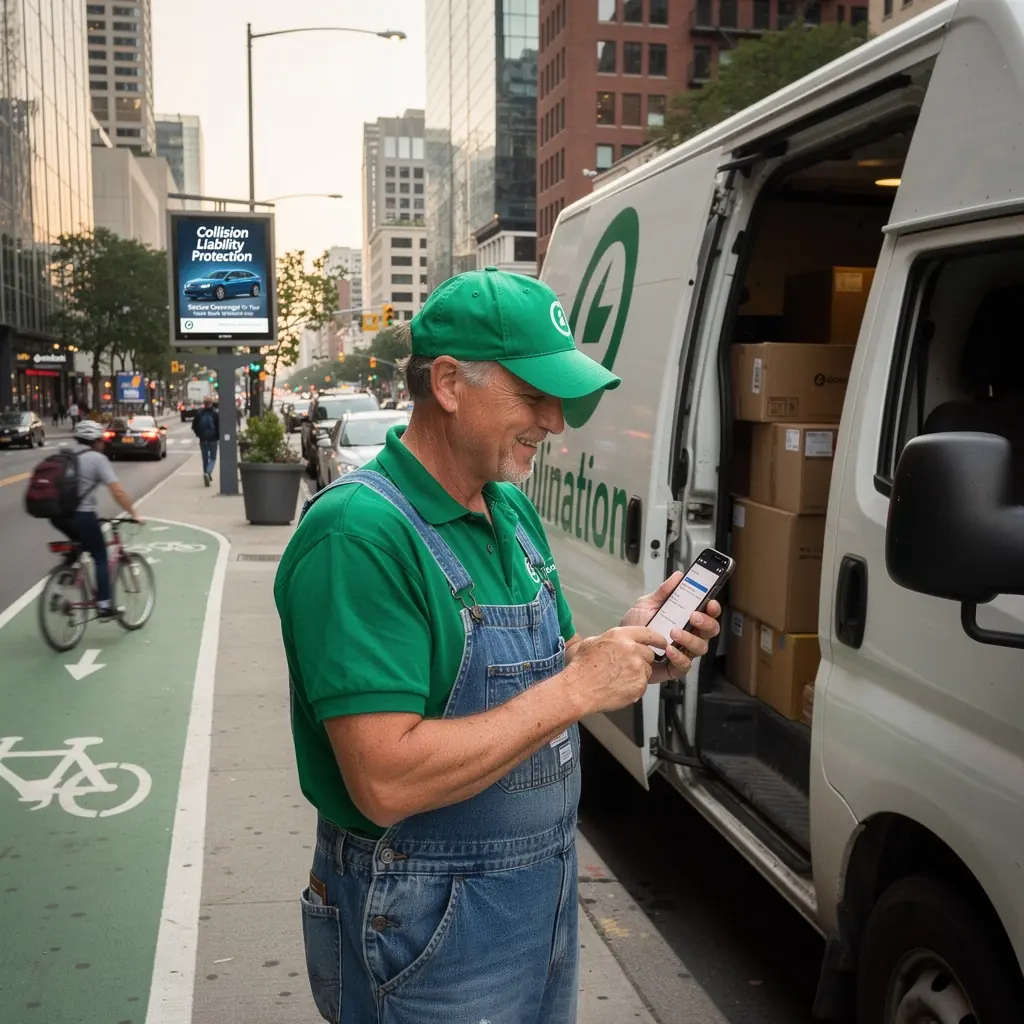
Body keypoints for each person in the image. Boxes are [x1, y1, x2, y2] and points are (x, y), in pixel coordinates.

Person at [274, 268, 722, 1024]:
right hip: (424, 920)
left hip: (536, 898)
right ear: (449, 383)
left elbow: (545, 669)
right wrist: (578, 689)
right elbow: (385, 780)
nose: (555, 422)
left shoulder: (508, 507)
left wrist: (625, 648)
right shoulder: (358, 535)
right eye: (534, 394)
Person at [52, 420, 144, 619]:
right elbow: (118, 492)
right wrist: (134, 513)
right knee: (100, 556)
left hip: (57, 515)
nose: (103, 442)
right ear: (94, 440)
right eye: (100, 439)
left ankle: (57, 590)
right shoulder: (97, 459)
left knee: (78, 547)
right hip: (82, 515)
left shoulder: (64, 455)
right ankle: (104, 605)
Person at [192, 395, 219, 486]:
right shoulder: (215, 414)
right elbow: (218, 426)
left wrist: (199, 435)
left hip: (203, 439)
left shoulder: (199, 413)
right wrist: (218, 436)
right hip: (213, 439)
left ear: (204, 403)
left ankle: (206, 474)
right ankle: (208, 472)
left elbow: (194, 426)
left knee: (205, 459)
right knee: (213, 458)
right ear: (211, 403)